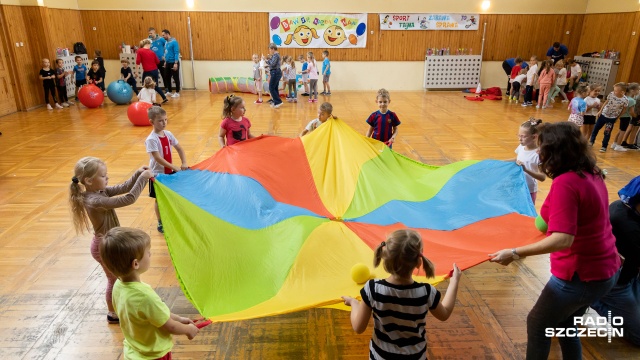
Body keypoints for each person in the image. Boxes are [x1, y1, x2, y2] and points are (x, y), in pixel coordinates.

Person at [489, 121, 621, 360]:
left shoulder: (566, 184)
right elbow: (547, 222)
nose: (538, 153)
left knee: (538, 324)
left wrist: (516, 252)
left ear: (556, 152)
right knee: (565, 324)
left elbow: (562, 239)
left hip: (581, 276)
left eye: (542, 148)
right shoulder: (591, 173)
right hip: (605, 271)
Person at [341, 229, 462, 360]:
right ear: (418, 261)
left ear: (385, 258)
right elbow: (444, 314)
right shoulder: (425, 292)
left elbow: (358, 327)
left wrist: (354, 303)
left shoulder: (373, 289)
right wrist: (454, 281)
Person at [69, 157, 153, 323]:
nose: (107, 178)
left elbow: (124, 187)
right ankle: (112, 313)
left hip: (109, 243)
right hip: (103, 247)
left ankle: (126, 306)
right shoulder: (94, 200)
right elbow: (128, 198)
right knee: (114, 280)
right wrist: (143, 179)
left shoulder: (100, 192)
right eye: (103, 176)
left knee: (120, 278)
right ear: (89, 180)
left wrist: (137, 174)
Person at [100, 227, 199, 359]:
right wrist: (188, 330)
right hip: (153, 355)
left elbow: (156, 314)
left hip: (134, 351)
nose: (150, 254)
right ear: (135, 264)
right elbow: (169, 327)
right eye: (148, 252)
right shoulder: (145, 297)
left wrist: (179, 319)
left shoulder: (118, 286)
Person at [590, 176, 640, 346]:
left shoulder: (622, 206)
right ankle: (592, 298)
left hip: (630, 274)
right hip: (615, 283)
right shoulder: (627, 224)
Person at [145, 106, 188, 233]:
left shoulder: (168, 134)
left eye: (165, 120)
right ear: (151, 122)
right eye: (160, 121)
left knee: (173, 194)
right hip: (157, 174)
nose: (164, 123)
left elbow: (179, 148)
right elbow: (157, 158)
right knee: (159, 199)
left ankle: (172, 216)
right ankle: (160, 222)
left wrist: (184, 162)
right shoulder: (151, 139)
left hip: (170, 171)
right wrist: (173, 166)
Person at [590, 82, 629, 152]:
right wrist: (600, 111)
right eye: (614, 90)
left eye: (616, 91)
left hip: (611, 119)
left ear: (622, 92)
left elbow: (624, 110)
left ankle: (604, 146)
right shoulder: (611, 94)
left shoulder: (625, 100)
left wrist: (617, 117)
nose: (614, 91)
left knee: (607, 133)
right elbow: (606, 102)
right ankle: (591, 142)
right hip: (603, 115)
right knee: (595, 129)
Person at [515, 118, 546, 203]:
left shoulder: (539, 154)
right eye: (519, 135)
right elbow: (517, 159)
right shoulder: (521, 147)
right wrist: (500, 162)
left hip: (529, 190)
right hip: (517, 187)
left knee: (527, 215)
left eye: (523, 136)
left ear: (534, 137)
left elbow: (542, 177)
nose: (520, 139)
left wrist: (526, 170)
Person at [136, 38, 169, 104]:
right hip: (155, 70)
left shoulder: (140, 51)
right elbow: (157, 62)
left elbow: (138, 62)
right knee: (154, 85)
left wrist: (136, 72)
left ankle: (142, 99)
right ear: (147, 44)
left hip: (147, 71)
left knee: (144, 85)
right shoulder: (152, 52)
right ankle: (164, 97)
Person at [611, 82, 638, 152]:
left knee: (620, 130)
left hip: (622, 116)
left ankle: (614, 143)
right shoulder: (632, 100)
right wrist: (635, 116)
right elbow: (631, 112)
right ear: (632, 91)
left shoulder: (624, 98)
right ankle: (618, 145)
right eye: (637, 90)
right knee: (623, 131)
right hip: (626, 117)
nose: (638, 91)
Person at [162, 29, 181, 98]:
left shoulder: (174, 42)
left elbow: (176, 52)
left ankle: (177, 92)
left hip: (173, 62)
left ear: (167, 34)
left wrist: (175, 63)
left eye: (163, 35)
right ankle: (169, 91)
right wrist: (165, 62)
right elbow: (166, 53)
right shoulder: (166, 43)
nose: (163, 37)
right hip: (168, 62)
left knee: (175, 77)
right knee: (167, 77)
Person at [148, 27, 167, 92]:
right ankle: (155, 89)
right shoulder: (148, 40)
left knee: (164, 75)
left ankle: (166, 89)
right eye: (149, 33)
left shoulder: (161, 39)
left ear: (154, 32)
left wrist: (165, 55)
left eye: (151, 33)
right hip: (153, 61)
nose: (150, 34)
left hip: (161, 60)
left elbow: (167, 45)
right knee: (154, 76)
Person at [264, 43, 283, 108]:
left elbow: (272, 64)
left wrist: (266, 61)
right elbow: (271, 63)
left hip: (275, 72)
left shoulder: (276, 55)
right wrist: (267, 61)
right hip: (275, 72)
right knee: (275, 88)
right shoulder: (275, 55)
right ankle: (276, 101)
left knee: (271, 87)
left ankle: (278, 101)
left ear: (273, 49)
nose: (269, 51)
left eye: (270, 49)